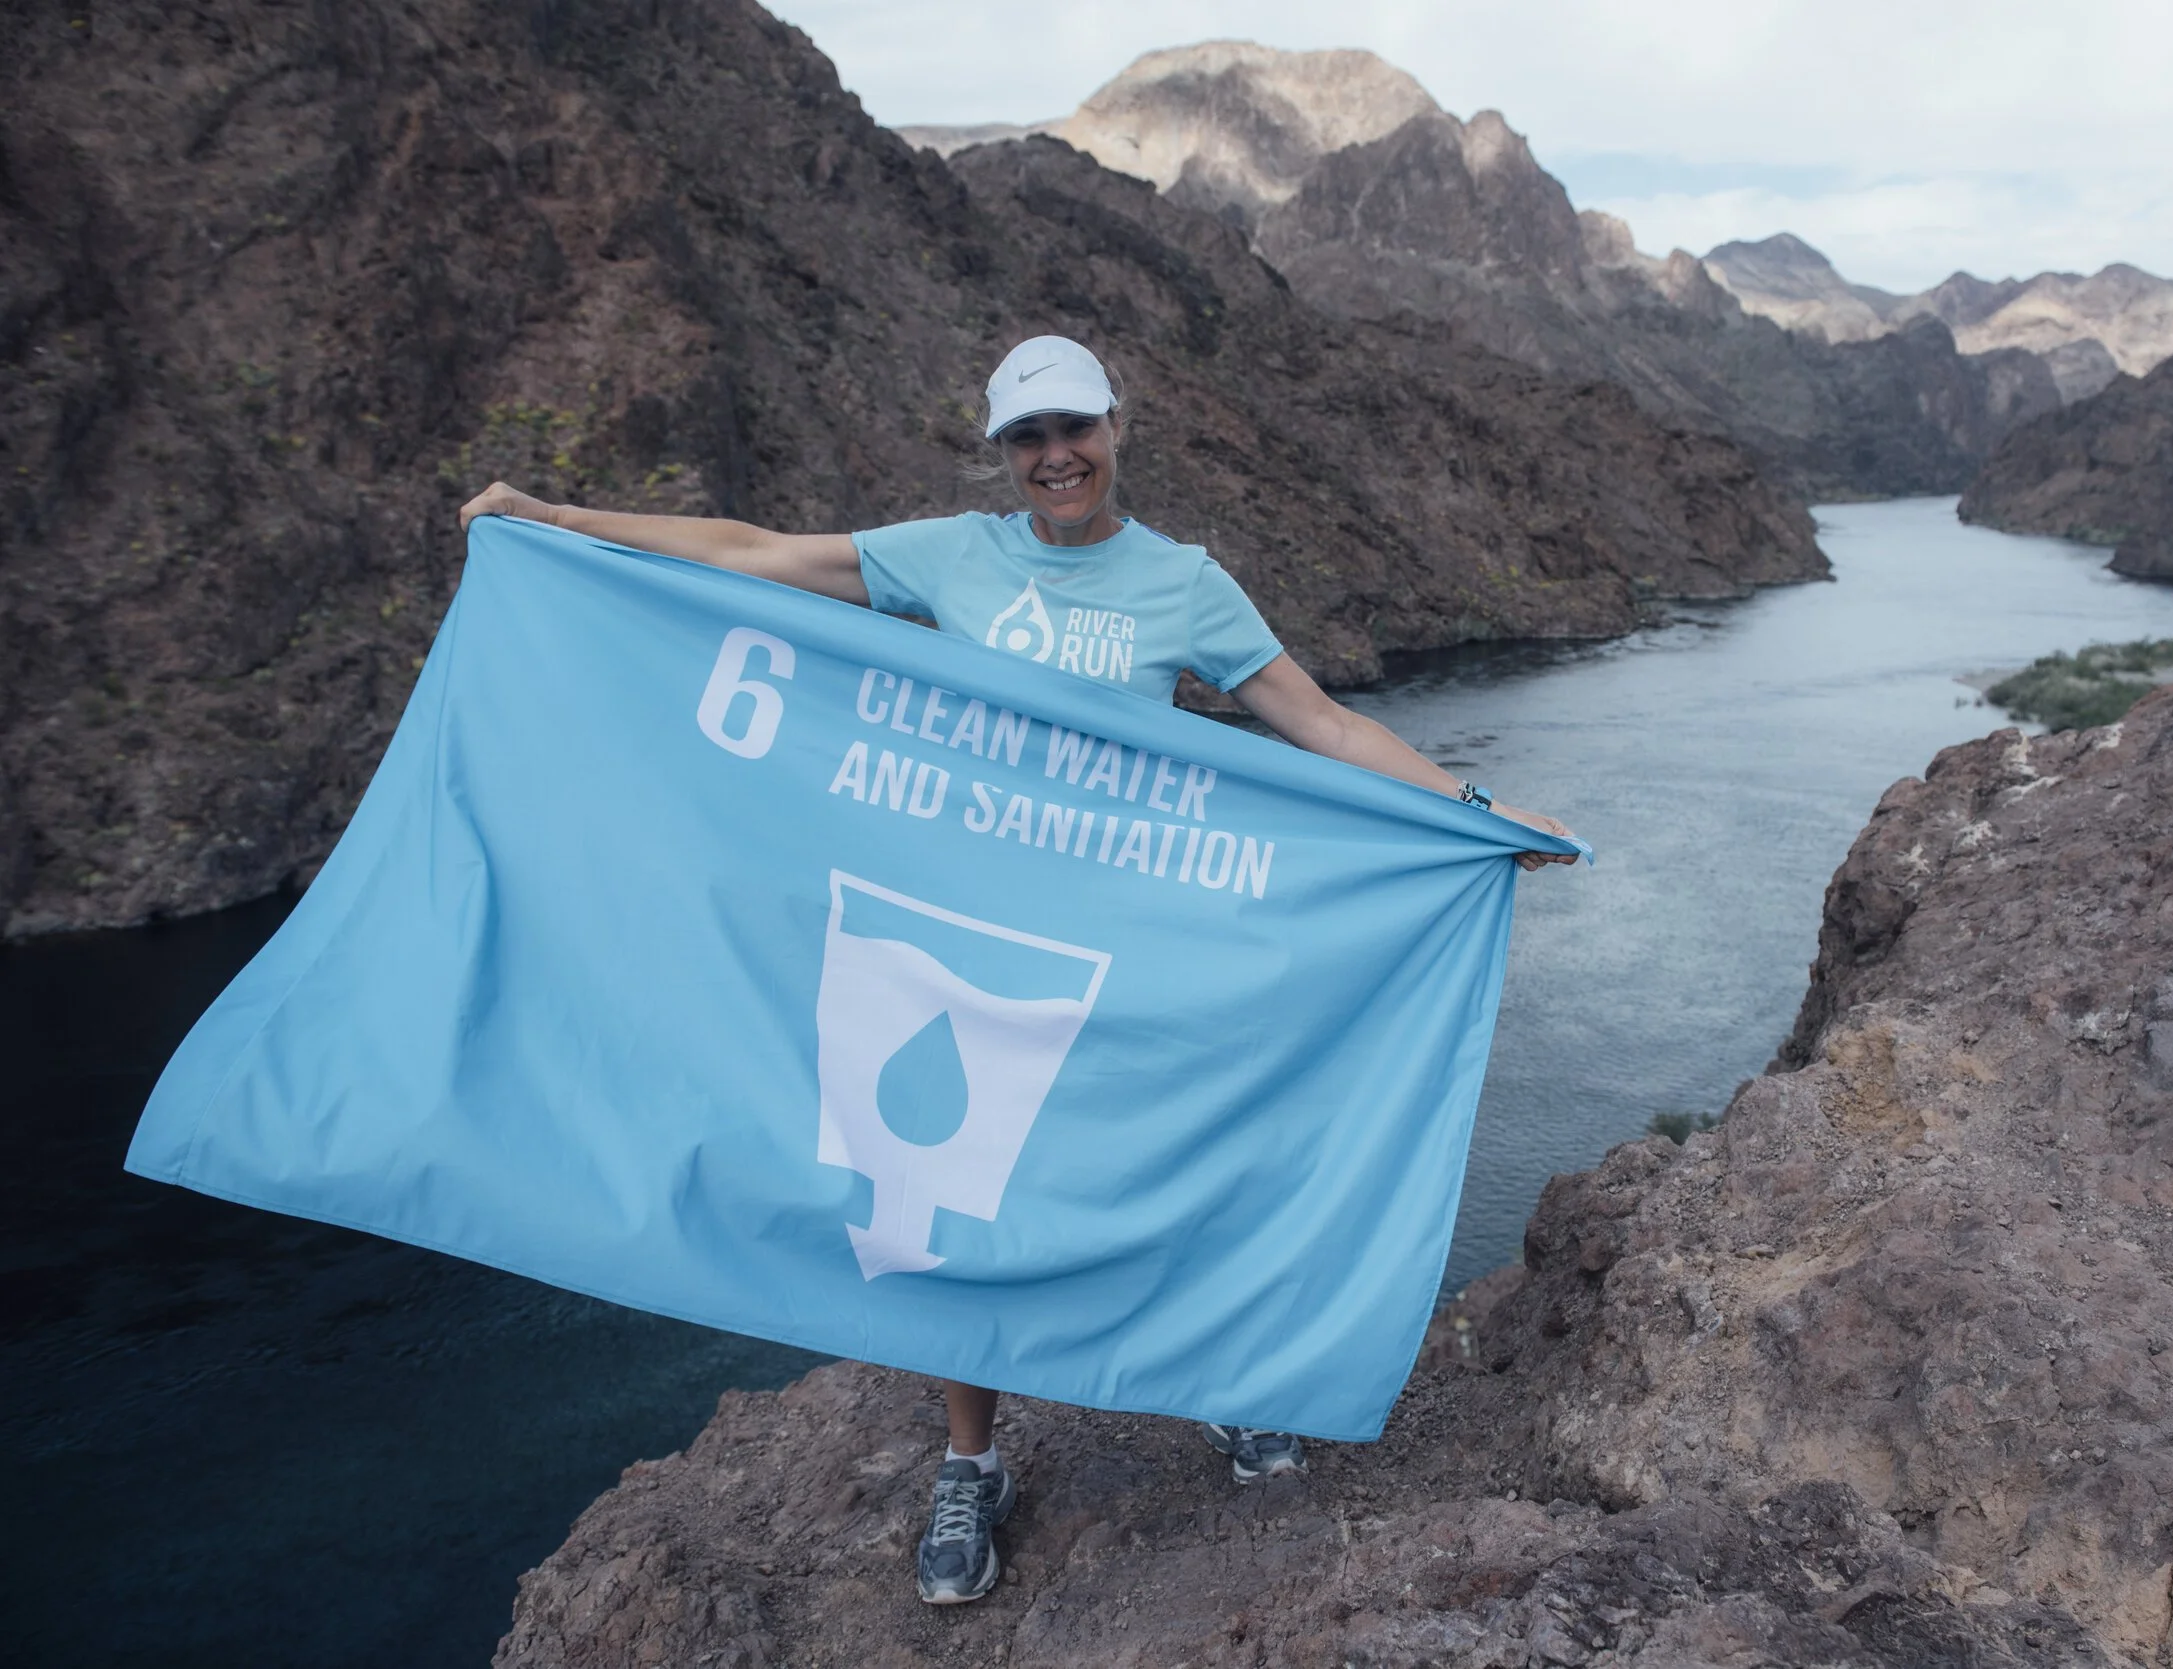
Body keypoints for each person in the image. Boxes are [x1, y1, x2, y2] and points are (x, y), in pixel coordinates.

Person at [460, 334, 1576, 1605]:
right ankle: (970, 1461)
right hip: (958, 927)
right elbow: (753, 552)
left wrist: (1475, 814)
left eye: (1074, 431)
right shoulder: (951, 555)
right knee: (939, 1192)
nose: (1056, 458)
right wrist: (550, 517)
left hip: (1128, 938)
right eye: (1028, 439)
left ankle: (1208, 1376)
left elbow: (1320, 723)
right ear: (1002, 454)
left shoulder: (1183, 583)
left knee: (1164, 1154)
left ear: (1115, 429)